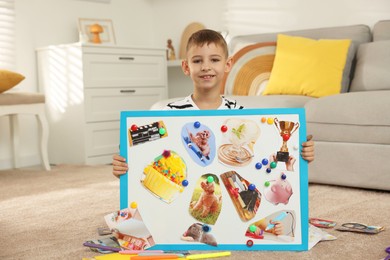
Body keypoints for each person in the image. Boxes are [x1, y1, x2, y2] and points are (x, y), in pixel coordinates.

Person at [112, 29, 315, 177]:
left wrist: (299, 150)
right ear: (186, 67)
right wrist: (124, 160)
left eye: (215, 60)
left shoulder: (241, 115)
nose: (206, 67)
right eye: (198, 61)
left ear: (228, 65)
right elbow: (136, 145)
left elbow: (261, 154)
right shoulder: (169, 112)